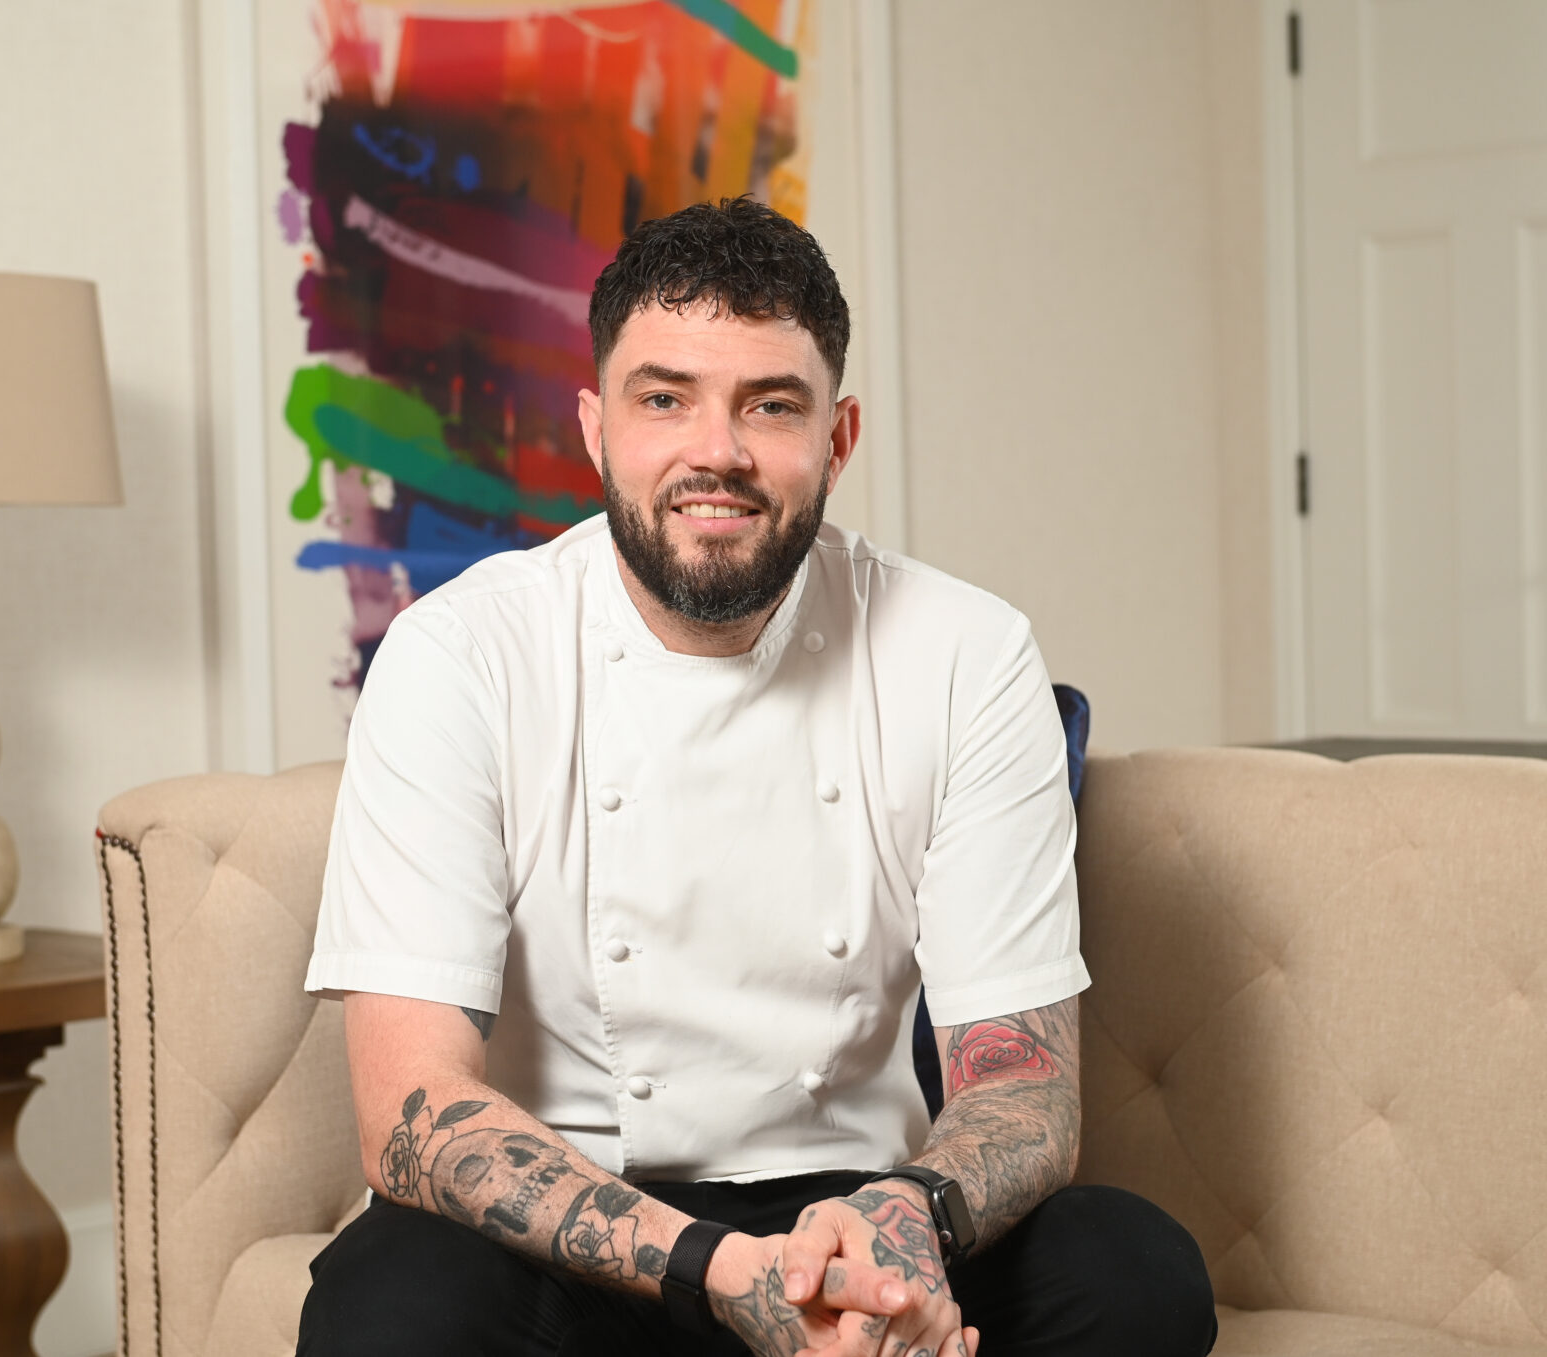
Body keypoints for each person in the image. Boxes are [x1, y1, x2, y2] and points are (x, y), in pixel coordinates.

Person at [298, 197, 1215, 1357]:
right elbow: (412, 1113)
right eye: (664, 397)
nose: (715, 451)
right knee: (393, 1301)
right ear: (596, 427)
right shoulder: (461, 655)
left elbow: (1025, 1090)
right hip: (583, 1237)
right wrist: (717, 1270)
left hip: (861, 1219)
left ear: (837, 439)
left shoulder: (965, 652)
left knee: (1132, 1272)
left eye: (770, 405)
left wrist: (904, 1224)